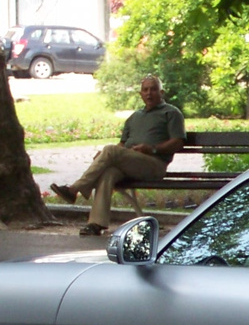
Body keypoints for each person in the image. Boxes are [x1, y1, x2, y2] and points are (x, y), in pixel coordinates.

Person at [50, 75, 184, 235]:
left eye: (153, 89)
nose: (149, 93)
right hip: (131, 162)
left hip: (154, 164)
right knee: (109, 173)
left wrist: (152, 149)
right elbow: (122, 145)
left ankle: (74, 189)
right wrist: (103, 156)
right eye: (145, 90)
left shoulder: (171, 112)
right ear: (140, 94)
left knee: (110, 150)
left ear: (161, 92)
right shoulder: (135, 117)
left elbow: (178, 142)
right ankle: (96, 223)